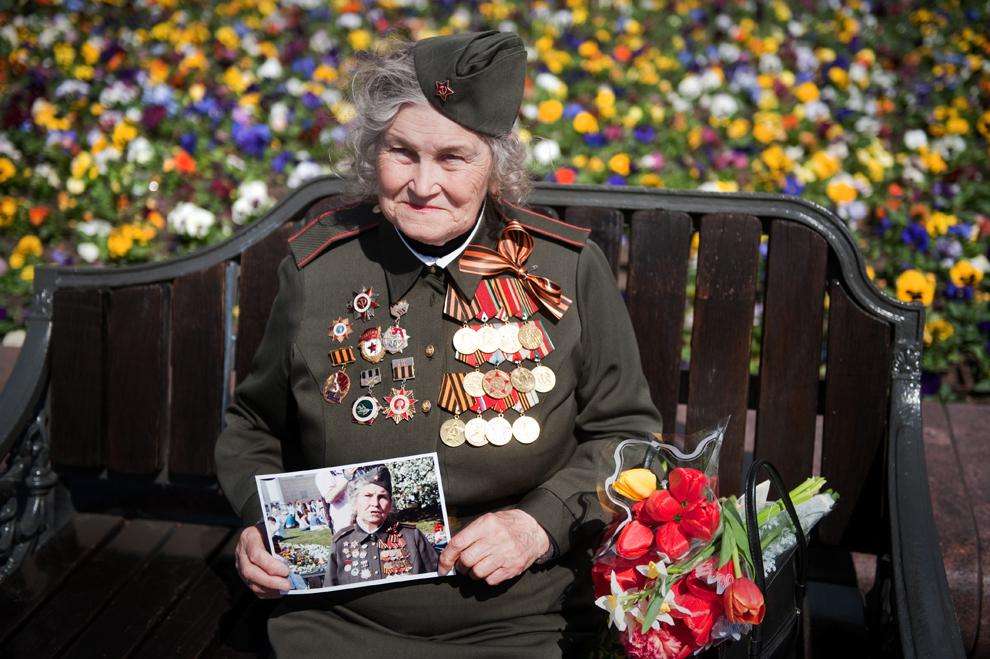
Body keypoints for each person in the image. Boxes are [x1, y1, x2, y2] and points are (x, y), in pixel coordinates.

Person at [215, 30, 661, 656]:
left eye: (453, 158)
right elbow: (253, 426)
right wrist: (261, 524)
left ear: (495, 167)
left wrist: (540, 523)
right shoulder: (319, 270)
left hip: (522, 618)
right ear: (375, 153)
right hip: (339, 618)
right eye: (402, 152)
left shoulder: (568, 270)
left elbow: (629, 437)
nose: (423, 185)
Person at [325, 465, 438, 586]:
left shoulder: (412, 537)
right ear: (355, 502)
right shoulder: (341, 543)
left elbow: (437, 578)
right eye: (368, 496)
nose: (375, 503)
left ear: (390, 504)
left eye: (382, 497)